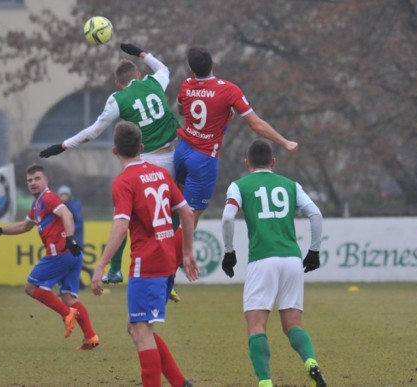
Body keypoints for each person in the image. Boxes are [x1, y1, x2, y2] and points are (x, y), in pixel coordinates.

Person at [40, 43, 180, 286]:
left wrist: (62, 146)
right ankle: (171, 265)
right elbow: (164, 68)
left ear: (118, 83)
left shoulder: (118, 99)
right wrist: (142, 53)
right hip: (173, 156)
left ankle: (115, 268)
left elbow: (92, 132)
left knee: (125, 215)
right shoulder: (153, 82)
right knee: (176, 208)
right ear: (137, 75)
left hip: (145, 161)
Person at [91, 121, 198, 387]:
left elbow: (121, 224)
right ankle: (180, 383)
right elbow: (186, 211)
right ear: (141, 147)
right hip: (167, 259)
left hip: (146, 263)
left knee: (141, 330)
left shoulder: (124, 180)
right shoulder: (161, 174)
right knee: (137, 326)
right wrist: (186, 252)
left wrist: (102, 264)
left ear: (115, 151)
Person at [220, 140, 327, 387]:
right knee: (292, 325)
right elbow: (316, 214)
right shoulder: (291, 185)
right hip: (291, 259)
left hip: (262, 259)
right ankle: (310, 362)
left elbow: (227, 218)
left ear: (247, 163)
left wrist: (229, 252)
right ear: (273, 162)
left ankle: (265, 382)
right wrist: (314, 251)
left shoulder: (239, 185)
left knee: (257, 325)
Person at [174, 46, 299, 228]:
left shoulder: (186, 85)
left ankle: (167, 250)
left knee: (175, 210)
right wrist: (285, 142)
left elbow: (181, 109)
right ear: (213, 63)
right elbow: (255, 124)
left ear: (192, 70)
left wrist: (217, 113)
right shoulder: (228, 90)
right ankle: (177, 256)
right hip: (203, 159)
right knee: (189, 221)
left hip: (182, 151)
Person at [0, 164, 99, 350]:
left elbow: (67, 214)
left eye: (37, 179)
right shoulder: (37, 205)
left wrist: (71, 239)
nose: (33, 183)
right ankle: (90, 337)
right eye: (29, 180)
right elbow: (25, 226)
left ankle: (67, 314)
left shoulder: (48, 197)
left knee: (30, 287)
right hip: (73, 255)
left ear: (46, 180)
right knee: (68, 298)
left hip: (60, 253)